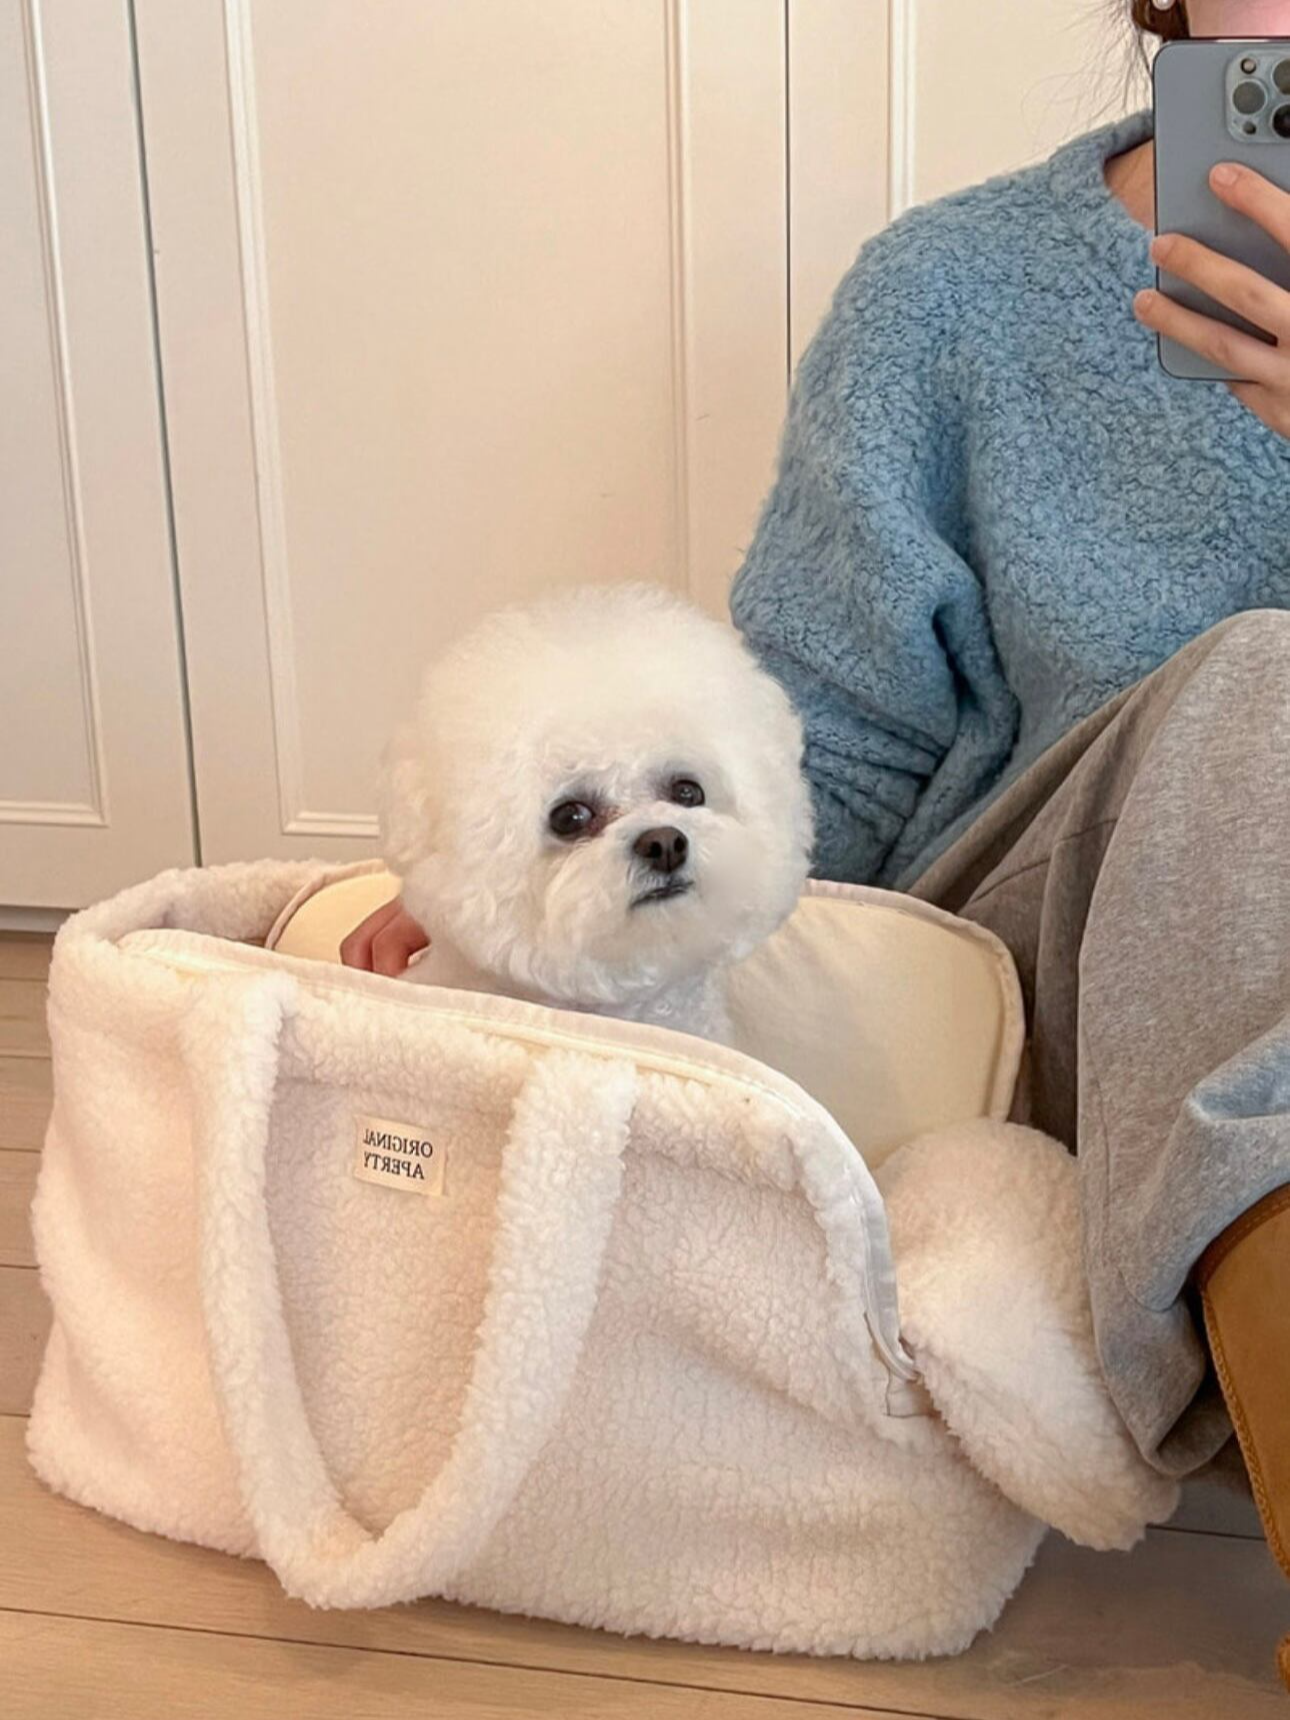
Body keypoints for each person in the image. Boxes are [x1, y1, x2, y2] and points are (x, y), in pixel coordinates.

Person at [345, 0, 1290, 1673]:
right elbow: (828, 731)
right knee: (1261, 689)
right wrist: (538, 917)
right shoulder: (950, 296)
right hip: (1048, 957)